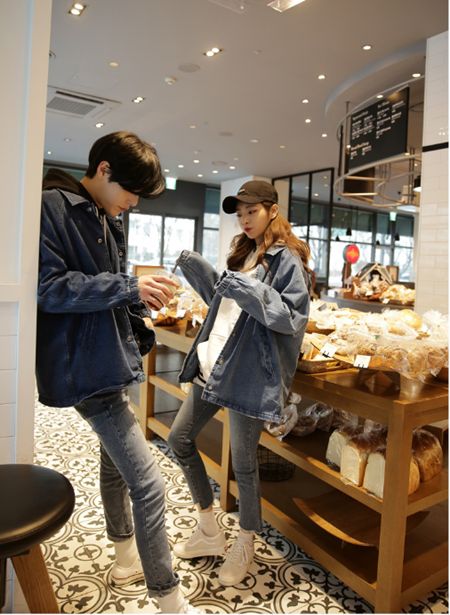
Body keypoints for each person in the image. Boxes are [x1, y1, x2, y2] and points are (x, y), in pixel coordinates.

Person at [36, 131, 197, 613]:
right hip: (87, 366)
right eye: (131, 191)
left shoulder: (107, 217)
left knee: (115, 464)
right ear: (104, 169)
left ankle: (126, 557)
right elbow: (50, 287)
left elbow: (105, 289)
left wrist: (139, 300)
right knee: (150, 484)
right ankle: (168, 597)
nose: (134, 202)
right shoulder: (54, 206)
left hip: (110, 357)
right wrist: (129, 287)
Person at [167, 180, 310, 586]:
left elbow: (292, 318)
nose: (244, 220)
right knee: (179, 439)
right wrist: (201, 272)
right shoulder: (243, 253)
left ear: (272, 211)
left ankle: (246, 541)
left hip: (248, 372)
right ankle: (208, 529)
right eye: (240, 214)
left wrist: (246, 288)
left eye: (252, 211)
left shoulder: (287, 260)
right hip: (215, 362)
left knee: (244, 464)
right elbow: (226, 305)